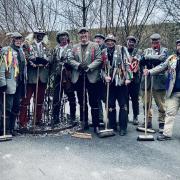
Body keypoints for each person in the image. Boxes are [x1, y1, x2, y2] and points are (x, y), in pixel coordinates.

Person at [67, 27, 102, 134]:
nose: (83, 36)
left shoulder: (95, 45)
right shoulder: (74, 47)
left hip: (91, 77)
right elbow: (70, 59)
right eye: (81, 34)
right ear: (79, 35)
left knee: (93, 101)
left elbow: (99, 59)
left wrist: (89, 67)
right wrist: (78, 65)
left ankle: (96, 124)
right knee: (82, 101)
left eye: (85, 33)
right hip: (79, 77)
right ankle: (84, 122)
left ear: (88, 34)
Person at [144, 39, 180, 140]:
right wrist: (150, 71)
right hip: (174, 92)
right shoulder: (172, 58)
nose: (179, 47)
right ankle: (166, 134)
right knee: (169, 113)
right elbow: (162, 66)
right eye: (178, 45)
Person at [19, 28, 50, 130]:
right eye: (37, 34)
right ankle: (22, 121)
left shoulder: (46, 46)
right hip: (31, 77)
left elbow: (50, 57)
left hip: (42, 77)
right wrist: (31, 62)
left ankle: (37, 120)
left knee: (40, 100)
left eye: (42, 34)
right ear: (34, 34)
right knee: (26, 99)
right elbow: (24, 56)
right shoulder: (27, 44)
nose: (39, 36)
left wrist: (45, 62)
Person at [102, 34, 132, 136]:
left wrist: (128, 77)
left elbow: (128, 64)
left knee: (123, 105)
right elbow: (101, 68)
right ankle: (112, 125)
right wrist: (105, 76)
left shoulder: (122, 49)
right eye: (108, 41)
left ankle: (123, 127)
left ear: (114, 41)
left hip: (121, 82)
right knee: (110, 105)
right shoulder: (103, 52)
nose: (110, 42)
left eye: (112, 41)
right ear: (106, 42)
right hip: (109, 83)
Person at [139, 33, 168, 132]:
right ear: (151, 42)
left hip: (159, 82)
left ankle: (162, 122)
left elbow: (162, 59)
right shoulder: (146, 50)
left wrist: (148, 57)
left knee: (161, 104)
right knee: (146, 103)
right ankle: (147, 121)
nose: (155, 44)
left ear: (160, 41)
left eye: (156, 42)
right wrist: (144, 64)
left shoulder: (164, 50)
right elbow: (141, 61)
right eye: (153, 42)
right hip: (146, 80)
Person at [0, 32, 26, 135]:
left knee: (16, 106)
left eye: (20, 39)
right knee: (7, 107)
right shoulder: (7, 51)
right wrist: (2, 82)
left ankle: (11, 128)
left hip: (19, 83)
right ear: (12, 40)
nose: (18, 41)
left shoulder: (21, 51)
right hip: (9, 83)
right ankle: (3, 129)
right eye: (16, 39)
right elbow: (2, 67)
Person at [51, 31, 76, 126]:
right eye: (61, 36)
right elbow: (52, 61)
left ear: (67, 37)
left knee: (71, 96)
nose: (63, 38)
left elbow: (75, 60)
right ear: (58, 38)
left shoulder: (72, 48)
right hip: (57, 76)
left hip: (68, 76)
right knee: (56, 97)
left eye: (65, 36)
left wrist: (68, 65)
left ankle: (73, 117)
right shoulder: (55, 49)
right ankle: (55, 117)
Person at [126, 36, 141, 125]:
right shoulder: (123, 51)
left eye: (133, 42)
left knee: (135, 99)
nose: (131, 43)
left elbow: (135, 64)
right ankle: (126, 115)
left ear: (135, 43)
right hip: (126, 79)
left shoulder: (138, 52)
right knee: (125, 98)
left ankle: (135, 116)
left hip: (135, 79)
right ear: (127, 42)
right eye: (129, 41)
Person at [94, 33, 106, 124]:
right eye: (96, 39)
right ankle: (100, 118)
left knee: (107, 99)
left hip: (106, 79)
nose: (98, 40)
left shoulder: (106, 50)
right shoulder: (92, 49)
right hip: (95, 78)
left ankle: (111, 118)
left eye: (100, 39)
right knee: (97, 99)